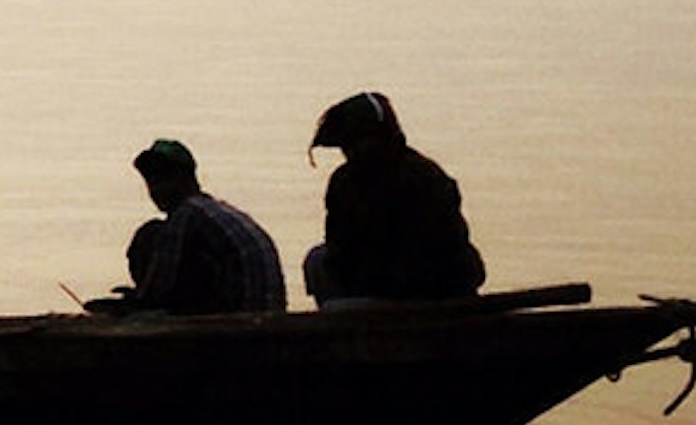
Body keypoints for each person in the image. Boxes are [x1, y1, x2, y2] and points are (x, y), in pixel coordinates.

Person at [302, 91, 486, 302]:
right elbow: (339, 249)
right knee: (317, 260)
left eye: (358, 141)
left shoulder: (420, 180)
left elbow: (440, 254)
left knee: (319, 263)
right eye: (347, 145)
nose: (352, 151)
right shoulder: (346, 183)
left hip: (415, 297)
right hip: (387, 289)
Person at [103, 138, 287, 315]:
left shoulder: (186, 215)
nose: (157, 190)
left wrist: (134, 305)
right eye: (152, 182)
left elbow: (159, 286)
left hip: (236, 321)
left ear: (186, 178)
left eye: (164, 179)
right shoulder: (216, 209)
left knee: (149, 234)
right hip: (266, 311)